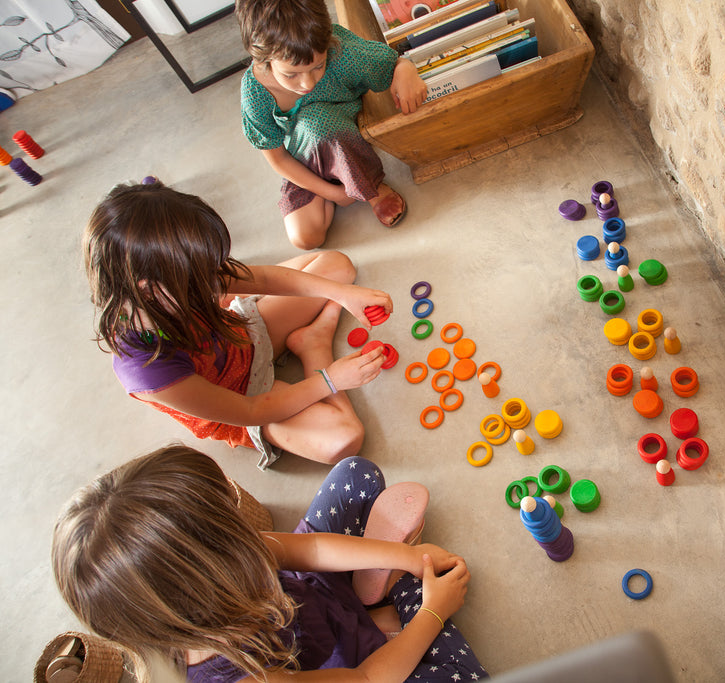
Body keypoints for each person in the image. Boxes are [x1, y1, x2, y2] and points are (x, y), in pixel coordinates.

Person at [51, 444, 489, 682]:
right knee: (458, 674)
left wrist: (408, 556)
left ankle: (371, 606)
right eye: (228, 521)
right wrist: (432, 612)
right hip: (337, 666)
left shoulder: (204, 571)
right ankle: (386, 616)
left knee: (356, 474)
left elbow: (311, 550)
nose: (240, 509)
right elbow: (368, 678)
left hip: (306, 599)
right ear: (212, 572)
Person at [84, 179, 391, 469]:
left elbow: (264, 278)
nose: (215, 279)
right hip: (245, 397)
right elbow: (251, 411)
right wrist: (330, 378)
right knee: (344, 440)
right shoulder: (146, 367)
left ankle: (311, 337)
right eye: (203, 277)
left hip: (244, 336)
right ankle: (315, 346)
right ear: (148, 289)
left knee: (336, 268)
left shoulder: (178, 274)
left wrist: (343, 294)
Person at [236, 0, 428, 250]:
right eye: (291, 74)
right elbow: (279, 159)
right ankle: (340, 179)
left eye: (318, 66)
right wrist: (332, 194)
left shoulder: (342, 50)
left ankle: (368, 186)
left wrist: (406, 70)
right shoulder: (254, 93)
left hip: (333, 130)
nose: (307, 83)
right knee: (306, 239)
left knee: (316, 125)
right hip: (302, 154)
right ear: (262, 59)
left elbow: (393, 62)